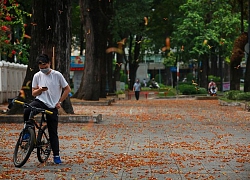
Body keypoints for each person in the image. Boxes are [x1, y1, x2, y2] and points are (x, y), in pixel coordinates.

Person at [23, 54, 71, 164]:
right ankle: (27, 130)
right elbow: (33, 92)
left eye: (45, 66)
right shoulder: (37, 76)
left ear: (49, 63)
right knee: (27, 109)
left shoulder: (57, 75)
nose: (43, 69)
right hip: (40, 101)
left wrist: (59, 102)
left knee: (52, 131)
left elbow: (67, 89)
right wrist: (40, 90)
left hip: (52, 105)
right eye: (41, 67)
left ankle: (56, 155)